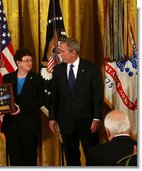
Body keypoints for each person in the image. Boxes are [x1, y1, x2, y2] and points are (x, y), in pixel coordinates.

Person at [49, 37, 103, 166]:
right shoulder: (58, 70)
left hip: (88, 123)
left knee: (93, 158)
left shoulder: (91, 68)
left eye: (62, 51)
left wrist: (96, 118)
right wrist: (52, 117)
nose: (60, 55)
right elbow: (54, 97)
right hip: (66, 122)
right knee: (71, 159)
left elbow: (97, 95)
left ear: (73, 52)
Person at [1, 48, 45, 166]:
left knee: (29, 159)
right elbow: (3, 98)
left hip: (29, 126)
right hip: (11, 126)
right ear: (18, 62)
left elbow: (41, 100)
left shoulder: (37, 78)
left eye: (30, 60)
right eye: (26, 60)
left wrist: (22, 108)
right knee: (15, 159)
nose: (29, 63)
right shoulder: (7, 78)